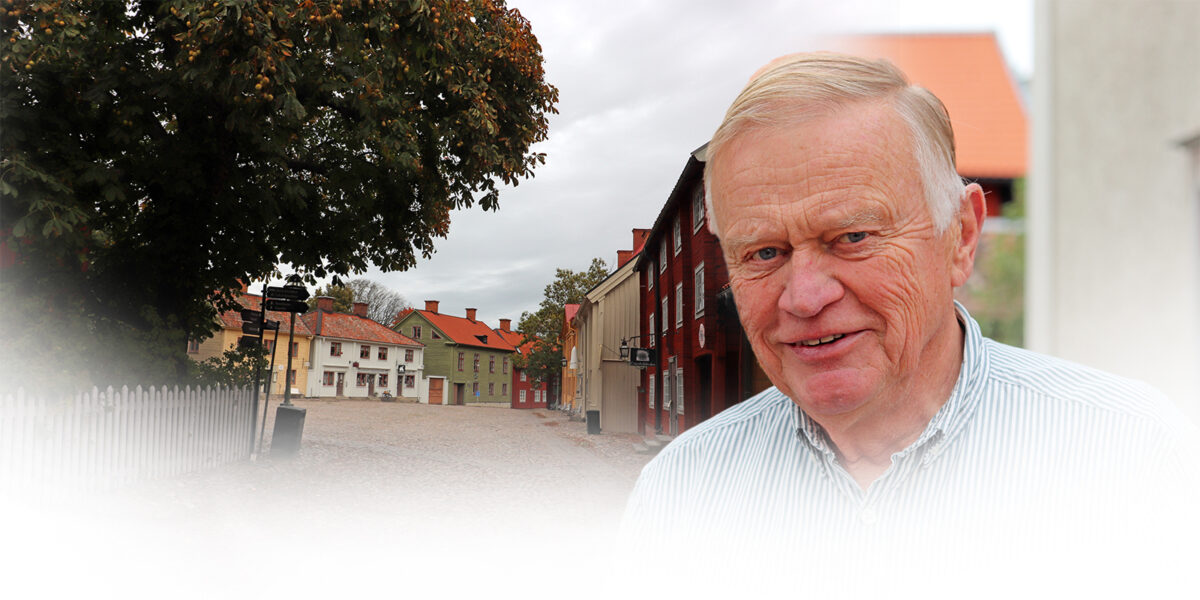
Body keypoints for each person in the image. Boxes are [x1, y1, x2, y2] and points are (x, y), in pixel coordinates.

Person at [620, 52, 1199, 596]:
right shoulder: (680, 495)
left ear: (961, 238)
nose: (804, 298)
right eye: (764, 253)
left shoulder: (1132, 457)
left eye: (852, 237)